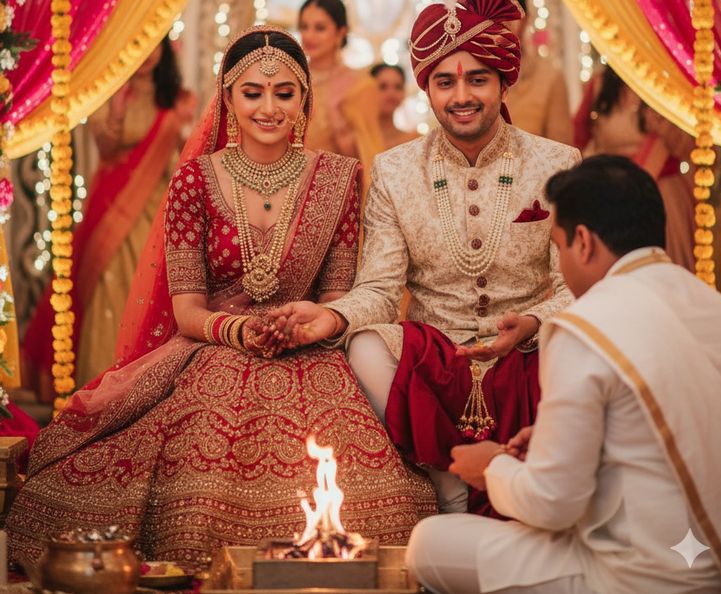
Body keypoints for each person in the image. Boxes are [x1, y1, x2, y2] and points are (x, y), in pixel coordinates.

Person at [7, 28, 434, 570]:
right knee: (169, 478)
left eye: (285, 92)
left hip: (310, 349)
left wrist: (313, 323)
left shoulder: (338, 178)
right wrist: (239, 331)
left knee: (382, 503)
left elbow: (336, 293)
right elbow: (187, 310)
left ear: (304, 98)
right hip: (212, 349)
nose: (269, 107)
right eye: (252, 92)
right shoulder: (194, 181)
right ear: (227, 98)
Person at [272, 0, 580, 515]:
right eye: (445, 81)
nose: (462, 95)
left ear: (504, 81)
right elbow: (380, 288)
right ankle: (449, 488)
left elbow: (574, 289)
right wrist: (331, 316)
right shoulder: (394, 170)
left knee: (574, 343)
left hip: (530, 353)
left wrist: (530, 322)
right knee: (367, 344)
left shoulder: (557, 163)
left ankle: (541, 490)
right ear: (428, 89)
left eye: (478, 79)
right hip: (438, 361)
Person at [406, 155, 721, 594]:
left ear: (583, 242)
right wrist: (547, 440)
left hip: (643, 577)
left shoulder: (584, 325)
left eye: (558, 247)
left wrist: (493, 468)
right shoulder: (719, 309)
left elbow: (553, 504)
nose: (562, 262)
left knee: (431, 542)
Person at [21, 38, 196, 397]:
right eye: (138, 44)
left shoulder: (178, 100)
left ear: (165, 49)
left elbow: (185, 156)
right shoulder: (111, 90)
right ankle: (99, 387)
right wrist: (116, 104)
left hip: (155, 209)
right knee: (107, 287)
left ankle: (143, 389)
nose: (146, 55)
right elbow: (105, 146)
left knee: (148, 288)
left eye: (153, 46)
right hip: (111, 209)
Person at [574, 64, 695, 271]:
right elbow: (577, 139)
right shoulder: (601, 85)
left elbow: (691, 147)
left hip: (661, 193)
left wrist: (664, 125)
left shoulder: (667, 82)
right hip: (612, 194)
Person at [298, 0, 384, 172]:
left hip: (332, 186)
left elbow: (367, 157)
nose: (309, 35)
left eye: (320, 28)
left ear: (340, 33)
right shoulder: (290, 79)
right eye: (304, 27)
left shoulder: (360, 85)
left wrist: (339, 122)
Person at [493, 0, 573, 145]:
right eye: (490, 18)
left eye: (507, 17)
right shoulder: (467, 76)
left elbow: (562, 150)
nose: (499, 26)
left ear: (525, 19)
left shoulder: (549, 78)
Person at [370, 62, 417, 149]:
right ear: (368, 91)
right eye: (383, 87)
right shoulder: (358, 142)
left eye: (398, 87)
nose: (391, 93)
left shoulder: (414, 140)